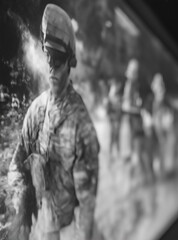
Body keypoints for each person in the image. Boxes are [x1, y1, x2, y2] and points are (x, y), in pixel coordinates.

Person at [7, 4, 99, 240]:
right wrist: (21, 201)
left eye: (58, 59)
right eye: (48, 56)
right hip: (42, 222)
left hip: (69, 226)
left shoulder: (80, 123)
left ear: (70, 62)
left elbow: (87, 201)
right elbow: (17, 163)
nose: (51, 67)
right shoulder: (37, 111)